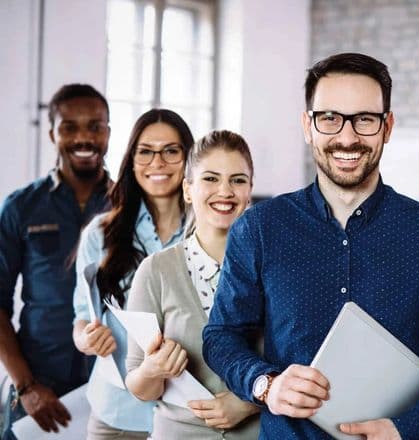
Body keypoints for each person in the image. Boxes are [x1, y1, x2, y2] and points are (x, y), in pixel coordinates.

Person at [202, 52, 419, 440]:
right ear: (307, 126)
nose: (347, 138)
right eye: (330, 118)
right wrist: (265, 384)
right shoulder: (260, 228)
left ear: (387, 126)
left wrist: (408, 429)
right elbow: (221, 335)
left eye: (364, 119)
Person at [125, 130, 260, 439]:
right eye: (210, 179)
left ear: (249, 191)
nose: (224, 191)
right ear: (188, 189)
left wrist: (250, 401)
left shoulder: (275, 269)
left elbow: (300, 362)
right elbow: (138, 385)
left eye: (238, 180)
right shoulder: (156, 271)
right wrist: (153, 369)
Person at [72, 108, 193, 438]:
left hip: (192, 417)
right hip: (120, 414)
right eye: (146, 152)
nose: (158, 163)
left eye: (171, 151)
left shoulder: (210, 232)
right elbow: (82, 317)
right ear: (132, 160)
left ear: (188, 158)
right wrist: (87, 339)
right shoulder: (99, 235)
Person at [0, 84, 111, 438]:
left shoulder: (128, 206)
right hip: (37, 386)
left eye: (95, 126)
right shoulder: (21, 207)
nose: (84, 138)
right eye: (70, 127)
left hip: (110, 385)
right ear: (52, 133)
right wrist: (27, 387)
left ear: (108, 132)